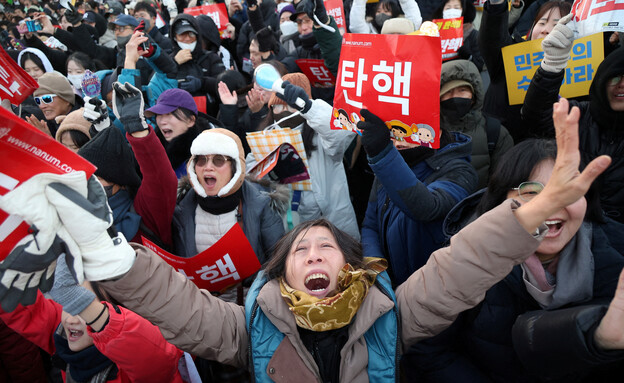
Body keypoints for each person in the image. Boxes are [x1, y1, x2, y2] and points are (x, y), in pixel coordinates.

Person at [2, 96, 614, 383]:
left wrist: (527, 215)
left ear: (351, 268)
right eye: (301, 250)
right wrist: (109, 255)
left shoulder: (393, 317)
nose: (315, 252)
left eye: (326, 247)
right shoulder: (246, 331)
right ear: (281, 274)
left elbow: (460, 266)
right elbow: (175, 304)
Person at [408, 124, 624, 381]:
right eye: (532, 192)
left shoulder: (615, 255)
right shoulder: (465, 259)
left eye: (567, 191)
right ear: (501, 200)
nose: (551, 206)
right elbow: (429, 350)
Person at [0, 257, 186, 382]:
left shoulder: (146, 361)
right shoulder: (64, 337)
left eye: (84, 308)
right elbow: (23, 305)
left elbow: (154, 355)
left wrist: (100, 320)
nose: (71, 319)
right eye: (68, 304)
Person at [359, 100, 478, 286]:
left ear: (435, 129)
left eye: (409, 131)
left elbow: (427, 207)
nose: (399, 141)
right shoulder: (387, 168)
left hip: (435, 288)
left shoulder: (460, 171)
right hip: (393, 285)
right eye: (394, 132)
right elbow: (370, 225)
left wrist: (383, 154)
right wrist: (377, 271)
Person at [522, 30, 624, 223]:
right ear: (602, 80)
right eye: (616, 78)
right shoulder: (576, 114)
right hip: (565, 227)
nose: (622, 85)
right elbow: (536, 116)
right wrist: (551, 66)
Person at [252, 73, 361, 240]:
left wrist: (310, 109)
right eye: (277, 107)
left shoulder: (323, 137)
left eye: (290, 106)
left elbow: (341, 133)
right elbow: (250, 175)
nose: (283, 112)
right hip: (290, 231)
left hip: (333, 229)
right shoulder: (267, 138)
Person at [478, 0, 571, 142]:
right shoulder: (511, 55)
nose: (546, 29)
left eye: (557, 25)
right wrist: (496, 6)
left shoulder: (582, 68)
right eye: (542, 22)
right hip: (500, 146)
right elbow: (492, 38)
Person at [440, 59, 513, 188]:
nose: (455, 96)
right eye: (448, 92)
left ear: (474, 95)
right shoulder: (427, 134)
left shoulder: (495, 133)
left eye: (462, 90)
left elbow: (503, 182)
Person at [146, 87, 223, 178]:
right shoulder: (152, 147)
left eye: (169, 114)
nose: (162, 121)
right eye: (159, 115)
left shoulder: (209, 156)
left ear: (191, 120)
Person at [28, 71, 84, 138]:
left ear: (66, 100)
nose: (42, 106)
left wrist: (48, 139)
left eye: (47, 99)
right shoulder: (46, 123)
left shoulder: (85, 122)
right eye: (38, 100)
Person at [431, 0, 484, 72]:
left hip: (464, 78)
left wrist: (468, 57)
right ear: (442, 11)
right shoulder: (433, 34)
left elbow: (479, 66)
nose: (451, 11)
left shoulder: (473, 35)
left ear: (463, 10)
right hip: (441, 78)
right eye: (448, 8)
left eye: (456, 8)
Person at [349, 0, 422, 34]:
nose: (382, 14)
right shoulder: (369, 31)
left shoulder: (403, 29)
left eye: (386, 11)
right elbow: (356, 25)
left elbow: (415, 21)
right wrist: (359, 1)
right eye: (378, 11)